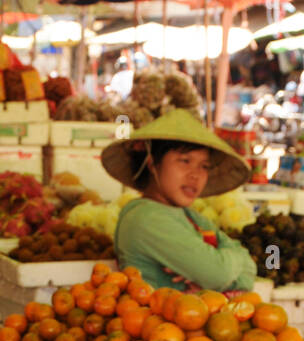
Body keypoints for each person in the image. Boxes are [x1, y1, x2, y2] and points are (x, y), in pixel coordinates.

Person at [101, 108, 257, 292]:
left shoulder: (188, 214)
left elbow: (250, 271)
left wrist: (220, 269)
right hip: (156, 319)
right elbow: (218, 275)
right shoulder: (147, 218)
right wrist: (226, 264)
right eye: (185, 161)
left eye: (204, 166)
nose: (195, 175)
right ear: (152, 164)